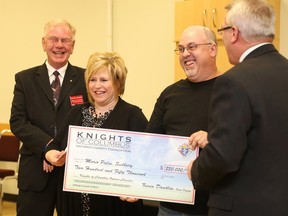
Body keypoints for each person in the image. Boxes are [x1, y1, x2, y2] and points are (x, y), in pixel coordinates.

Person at [188, 0, 288, 215]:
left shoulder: (234, 81)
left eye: (222, 31)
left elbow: (223, 156)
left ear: (234, 33)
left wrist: (195, 171)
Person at [44, 51, 148, 216]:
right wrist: (51, 155)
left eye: (104, 80)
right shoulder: (76, 112)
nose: (97, 86)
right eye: (93, 80)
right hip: (72, 204)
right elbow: (56, 144)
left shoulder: (132, 115)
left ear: (118, 83)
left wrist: (137, 187)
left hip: (114, 206)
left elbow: (148, 159)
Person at [9, 19, 88, 216]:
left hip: (73, 173)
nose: (59, 45)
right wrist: (47, 147)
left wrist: (62, 150)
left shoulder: (87, 79)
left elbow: (88, 120)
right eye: (53, 39)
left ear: (73, 46)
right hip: (35, 173)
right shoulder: (24, 79)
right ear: (43, 43)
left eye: (65, 40)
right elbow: (18, 122)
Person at [146, 25, 221, 216]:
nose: (185, 54)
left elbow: (247, 142)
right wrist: (133, 184)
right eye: (181, 49)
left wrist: (214, 138)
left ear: (213, 49)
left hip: (212, 207)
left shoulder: (231, 91)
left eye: (192, 47)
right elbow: (150, 143)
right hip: (170, 207)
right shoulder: (170, 94)